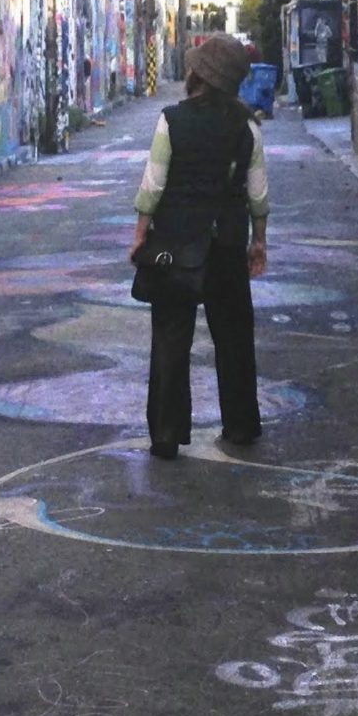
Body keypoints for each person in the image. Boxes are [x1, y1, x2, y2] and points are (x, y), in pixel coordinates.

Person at [131, 34, 269, 458]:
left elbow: (153, 184)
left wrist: (140, 234)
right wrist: (258, 241)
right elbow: (258, 194)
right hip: (226, 244)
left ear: (197, 75)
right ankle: (241, 425)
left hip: (175, 248)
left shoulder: (171, 120)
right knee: (233, 338)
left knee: (171, 339)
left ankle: (167, 434)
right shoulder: (247, 127)